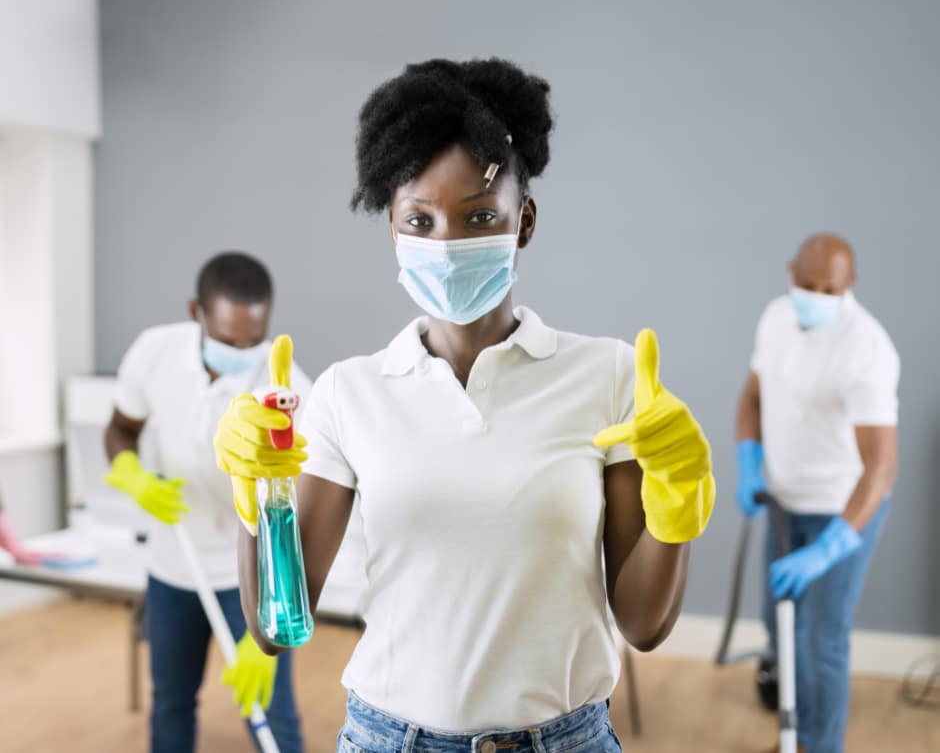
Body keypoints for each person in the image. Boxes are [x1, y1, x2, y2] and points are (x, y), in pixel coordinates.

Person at [214, 58, 716, 753]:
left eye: (480, 216)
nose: (447, 245)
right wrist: (258, 492)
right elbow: (276, 629)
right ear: (393, 227)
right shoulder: (347, 393)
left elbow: (644, 625)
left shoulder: (609, 378)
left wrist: (678, 504)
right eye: (419, 219)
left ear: (525, 221)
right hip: (391, 740)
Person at [103, 252, 309, 753]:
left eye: (253, 339)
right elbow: (121, 429)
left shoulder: (286, 390)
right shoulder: (155, 352)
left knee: (272, 712)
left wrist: (272, 626)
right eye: (227, 340)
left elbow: (297, 514)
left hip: (251, 577)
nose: (243, 350)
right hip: (173, 566)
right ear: (196, 310)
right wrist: (130, 475)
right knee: (171, 702)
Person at [735, 234, 899, 753]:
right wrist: (748, 461)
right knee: (776, 623)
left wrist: (831, 547)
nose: (816, 296)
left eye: (830, 289)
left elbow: (881, 468)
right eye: (807, 285)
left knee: (819, 642)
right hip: (784, 503)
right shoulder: (775, 318)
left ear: (849, 287)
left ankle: (815, 746)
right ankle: (794, 734)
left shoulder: (867, 349)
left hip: (844, 511)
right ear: (790, 274)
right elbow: (752, 398)